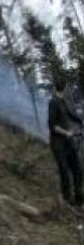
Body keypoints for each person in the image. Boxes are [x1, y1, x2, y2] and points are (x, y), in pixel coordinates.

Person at [48, 79, 84, 207]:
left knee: (77, 170)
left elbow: (71, 115)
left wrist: (81, 122)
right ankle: (67, 201)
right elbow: (52, 125)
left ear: (54, 88)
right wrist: (66, 133)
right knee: (64, 170)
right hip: (58, 143)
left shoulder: (62, 102)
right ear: (65, 88)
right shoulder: (53, 103)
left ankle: (79, 200)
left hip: (68, 143)